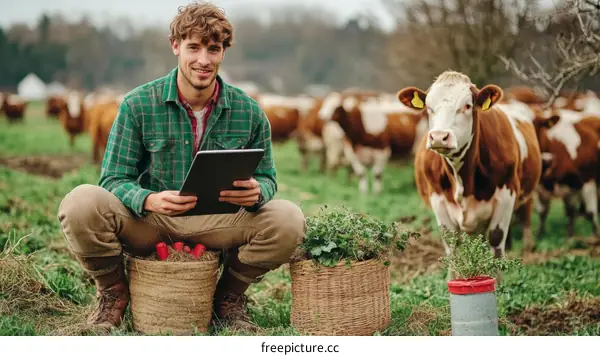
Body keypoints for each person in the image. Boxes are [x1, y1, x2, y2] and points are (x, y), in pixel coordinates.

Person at [57, 1, 306, 334]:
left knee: (289, 219)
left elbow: (268, 177)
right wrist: (148, 200)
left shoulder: (249, 111)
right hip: (151, 221)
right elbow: (113, 179)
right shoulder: (138, 104)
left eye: (213, 49)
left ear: (223, 52)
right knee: (80, 203)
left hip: (219, 221)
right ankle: (113, 292)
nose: (203, 60)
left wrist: (259, 190)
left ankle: (228, 297)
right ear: (175, 46)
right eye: (194, 47)